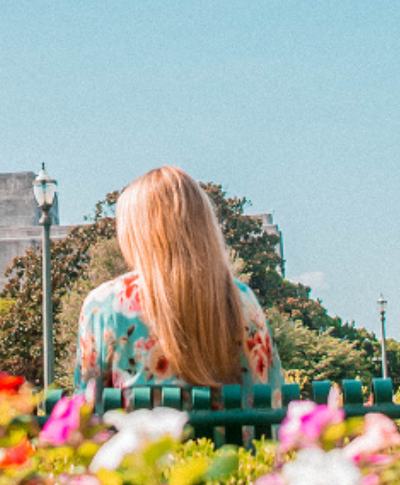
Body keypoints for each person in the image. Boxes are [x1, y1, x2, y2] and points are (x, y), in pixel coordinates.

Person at [74, 166, 284, 391]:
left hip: (140, 427)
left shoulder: (105, 303)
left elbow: (86, 405)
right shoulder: (243, 299)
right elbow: (272, 395)